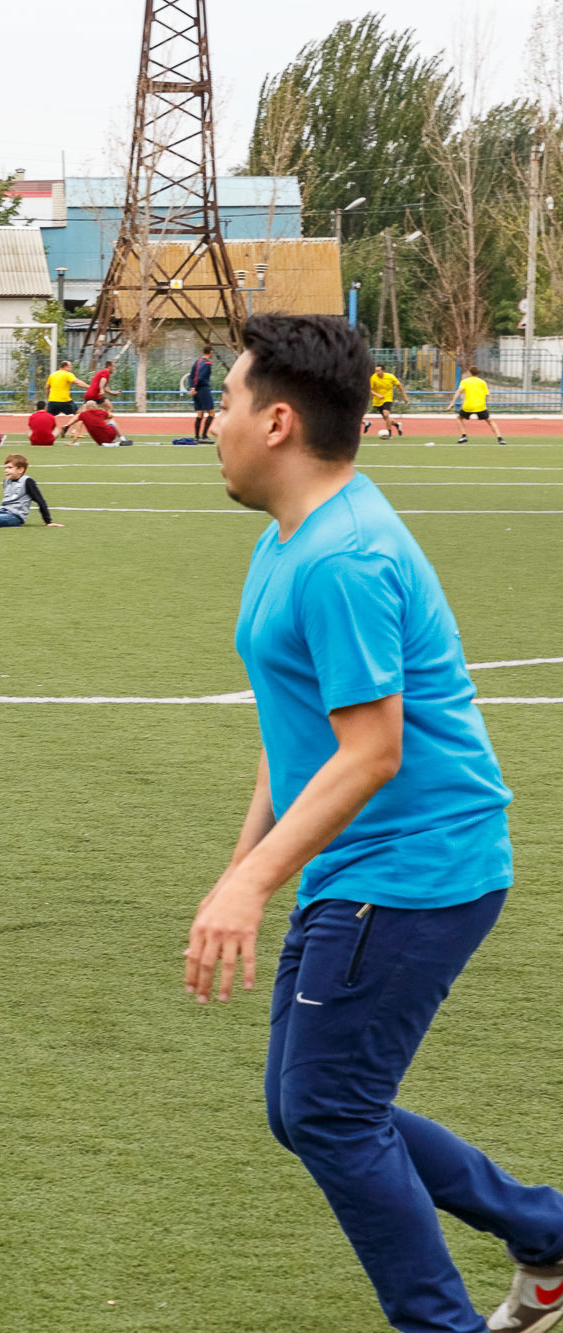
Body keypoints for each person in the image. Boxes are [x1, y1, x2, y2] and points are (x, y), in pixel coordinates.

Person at [183, 314, 563, 1333]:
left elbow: (370, 751)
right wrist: (244, 866)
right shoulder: (288, 537)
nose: (207, 419)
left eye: (221, 400)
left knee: (326, 1112)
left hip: (414, 867)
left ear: (273, 421)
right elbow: (294, 720)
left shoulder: (341, 559)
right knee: (303, 1109)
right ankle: (547, 1232)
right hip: (352, 865)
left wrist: (251, 883)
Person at [451, 370, 503, 445]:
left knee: (459, 418)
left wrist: (452, 402)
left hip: (468, 406)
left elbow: (458, 391)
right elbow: (486, 394)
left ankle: (464, 436)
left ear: (470, 373)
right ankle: (500, 439)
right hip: (480, 406)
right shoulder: (482, 382)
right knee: (490, 421)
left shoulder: (465, 381)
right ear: (477, 373)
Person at [187, 345, 217, 442]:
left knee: (200, 413)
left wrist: (192, 388)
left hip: (196, 391)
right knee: (211, 413)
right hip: (203, 390)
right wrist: (196, 388)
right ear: (211, 352)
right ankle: (204, 436)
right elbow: (201, 377)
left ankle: (196, 436)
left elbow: (191, 376)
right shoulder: (207, 363)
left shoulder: (197, 362)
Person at [368, 363, 407, 436]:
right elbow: (370, 389)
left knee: (386, 414)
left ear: (383, 371)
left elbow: (399, 385)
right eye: (376, 371)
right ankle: (397, 425)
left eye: (378, 371)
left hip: (387, 398)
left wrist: (404, 395)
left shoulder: (390, 377)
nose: (376, 372)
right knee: (387, 419)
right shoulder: (373, 377)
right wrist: (377, 395)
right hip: (377, 401)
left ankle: (389, 434)